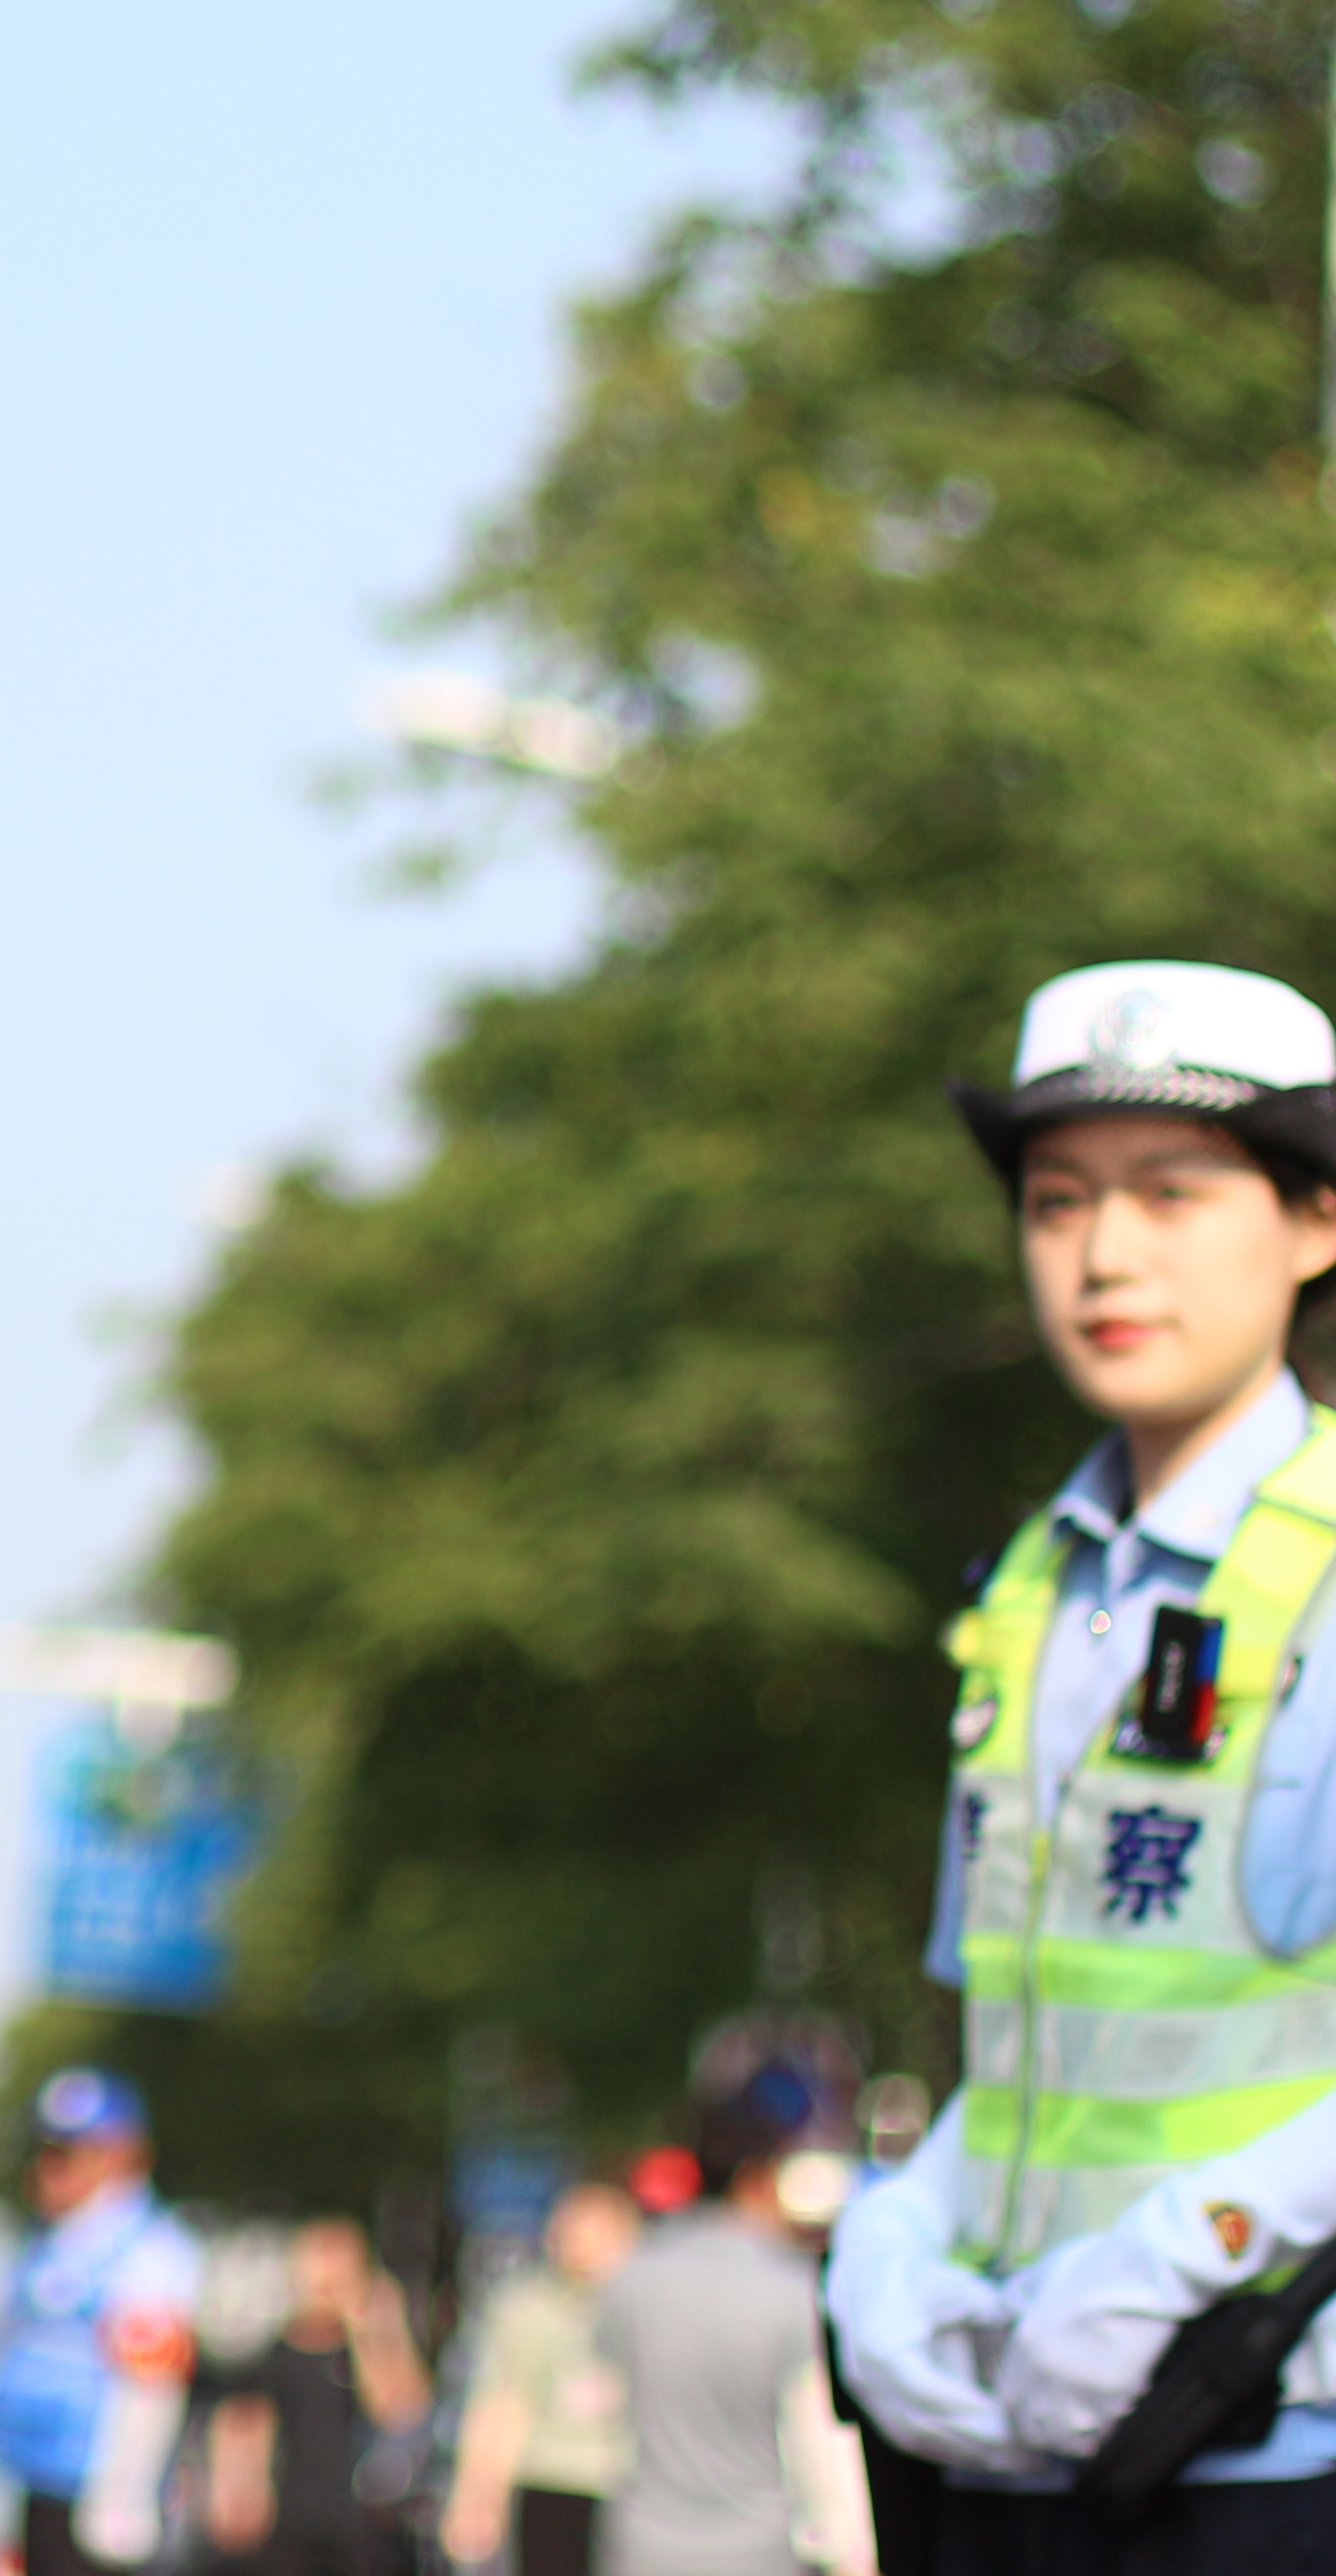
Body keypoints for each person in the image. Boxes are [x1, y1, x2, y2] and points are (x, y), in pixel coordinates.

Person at [822, 960, 1336, 2572]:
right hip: (1007, 2446)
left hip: (1263, 2448)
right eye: (1054, 1204)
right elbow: (1030, 2021)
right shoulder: (1023, 1593)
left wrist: (1197, 2248)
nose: (1102, 1253)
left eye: (1168, 1192)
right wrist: (895, 2228)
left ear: (1312, 1222)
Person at [591, 2109, 860, 2576]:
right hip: (761, 2551)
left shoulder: (633, 2276)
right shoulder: (791, 2288)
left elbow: (600, 2398)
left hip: (643, 2546)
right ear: (757, 2178)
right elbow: (817, 2434)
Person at [0, 2070, 203, 2576]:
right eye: (45, 2152)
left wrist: (123, 2492)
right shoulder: (51, 2241)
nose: (49, 2169)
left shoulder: (148, 2253)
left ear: (121, 2154)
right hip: (39, 2478)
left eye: (68, 2153)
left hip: (93, 2495)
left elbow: (151, 2383)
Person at [198, 2219, 427, 2576]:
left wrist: (370, 2327)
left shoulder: (370, 2348)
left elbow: (399, 2411)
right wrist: (235, 2492)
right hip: (288, 2522)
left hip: (364, 2524)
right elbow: (242, 2422)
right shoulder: (271, 2352)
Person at [440, 2179, 638, 2576]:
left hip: (631, 2484)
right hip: (551, 2477)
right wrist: (475, 2498)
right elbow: (502, 2404)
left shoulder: (647, 2307)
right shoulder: (528, 2307)